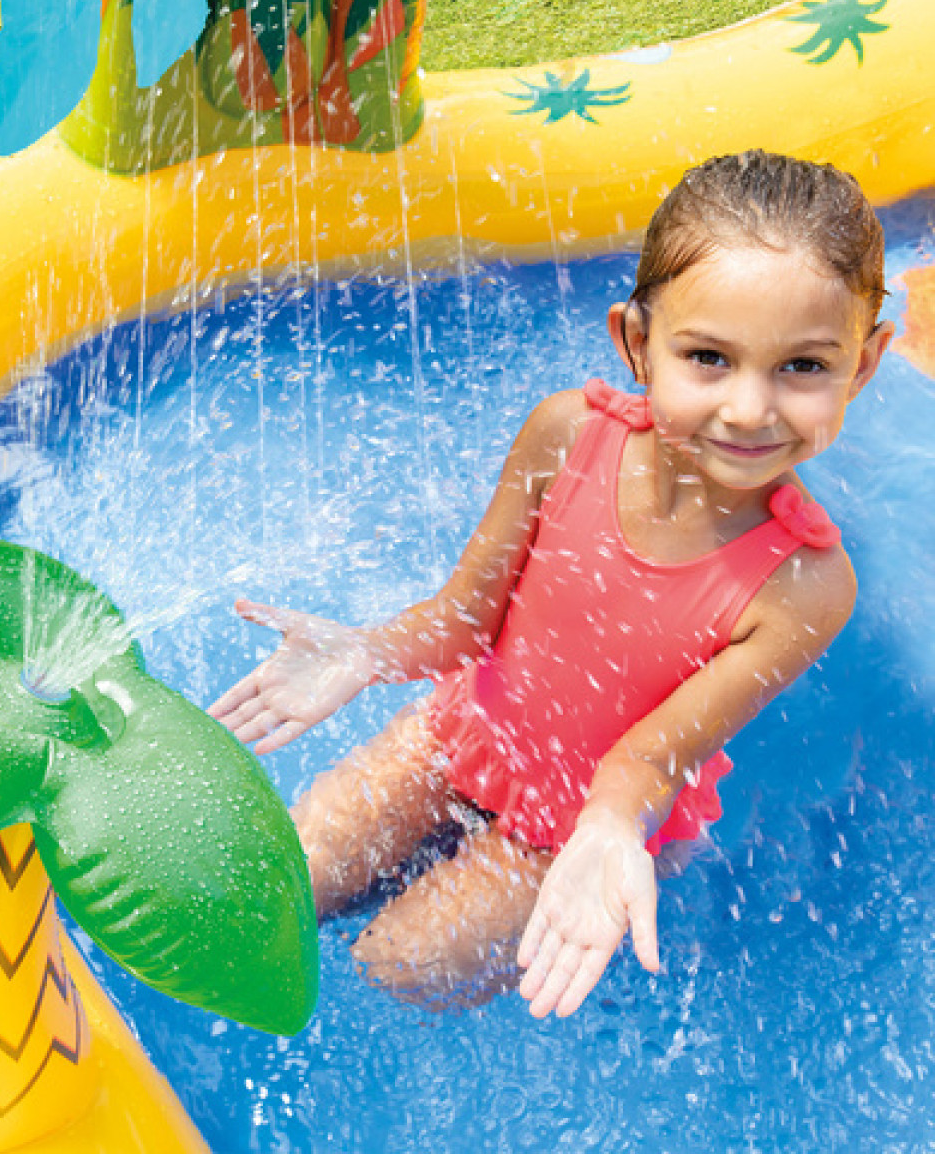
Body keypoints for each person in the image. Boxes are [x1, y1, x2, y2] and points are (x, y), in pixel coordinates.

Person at [209, 150, 894, 1018]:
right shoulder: (569, 435)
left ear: (863, 364)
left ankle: (567, 880)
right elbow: (466, 621)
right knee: (285, 882)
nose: (750, 409)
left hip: (583, 818)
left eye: (804, 367)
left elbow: (651, 755)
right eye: (708, 357)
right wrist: (366, 652)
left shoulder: (801, 584)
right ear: (637, 343)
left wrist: (608, 831)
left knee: (398, 965)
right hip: (467, 735)